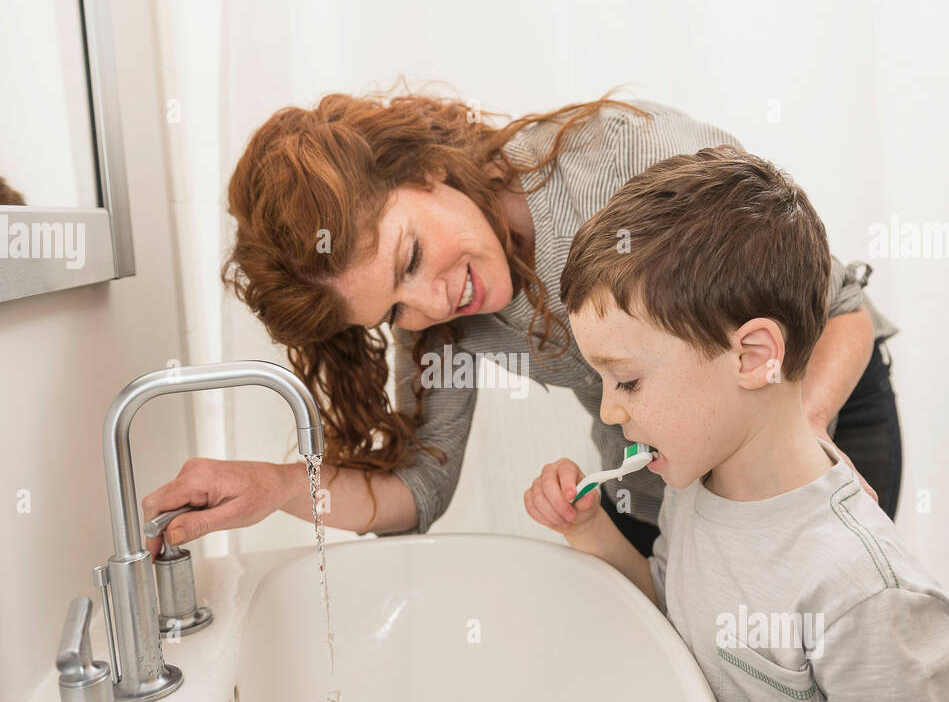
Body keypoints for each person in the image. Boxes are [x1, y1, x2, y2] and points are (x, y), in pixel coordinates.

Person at [523, 145, 949, 702]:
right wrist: (592, 532)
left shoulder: (861, 594)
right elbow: (681, 642)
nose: (607, 412)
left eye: (627, 379)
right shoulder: (696, 493)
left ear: (754, 354)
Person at [142, 83, 900, 558]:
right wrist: (276, 487)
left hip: (817, 404)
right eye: (394, 309)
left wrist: (796, 452)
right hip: (665, 463)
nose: (431, 304)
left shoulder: (624, 159)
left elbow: (841, 312)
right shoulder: (442, 326)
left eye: (410, 258)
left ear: (423, 170)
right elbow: (417, 493)